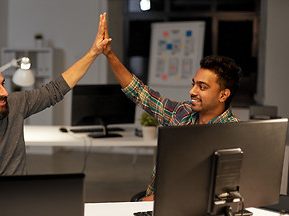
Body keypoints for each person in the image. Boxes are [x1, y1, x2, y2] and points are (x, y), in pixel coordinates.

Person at [0, 13, 111, 204]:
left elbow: (55, 90)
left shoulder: (14, 104)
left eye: (2, 83)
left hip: (24, 201)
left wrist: (94, 52)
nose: (4, 92)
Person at [102, 17, 242, 201]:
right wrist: (109, 54)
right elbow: (140, 92)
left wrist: (158, 198)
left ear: (223, 95)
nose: (192, 91)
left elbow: (219, 190)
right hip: (157, 206)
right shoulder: (182, 113)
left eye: (202, 87)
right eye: (193, 84)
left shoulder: (235, 133)